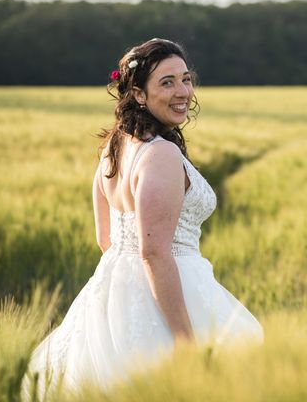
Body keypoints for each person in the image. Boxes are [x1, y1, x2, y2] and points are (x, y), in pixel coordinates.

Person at [23, 38, 264, 398]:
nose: (183, 91)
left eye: (185, 78)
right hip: (171, 287)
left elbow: (106, 239)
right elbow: (154, 253)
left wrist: (124, 291)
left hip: (110, 294)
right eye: (166, 82)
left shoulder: (113, 148)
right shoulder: (162, 154)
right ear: (138, 94)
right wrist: (185, 341)